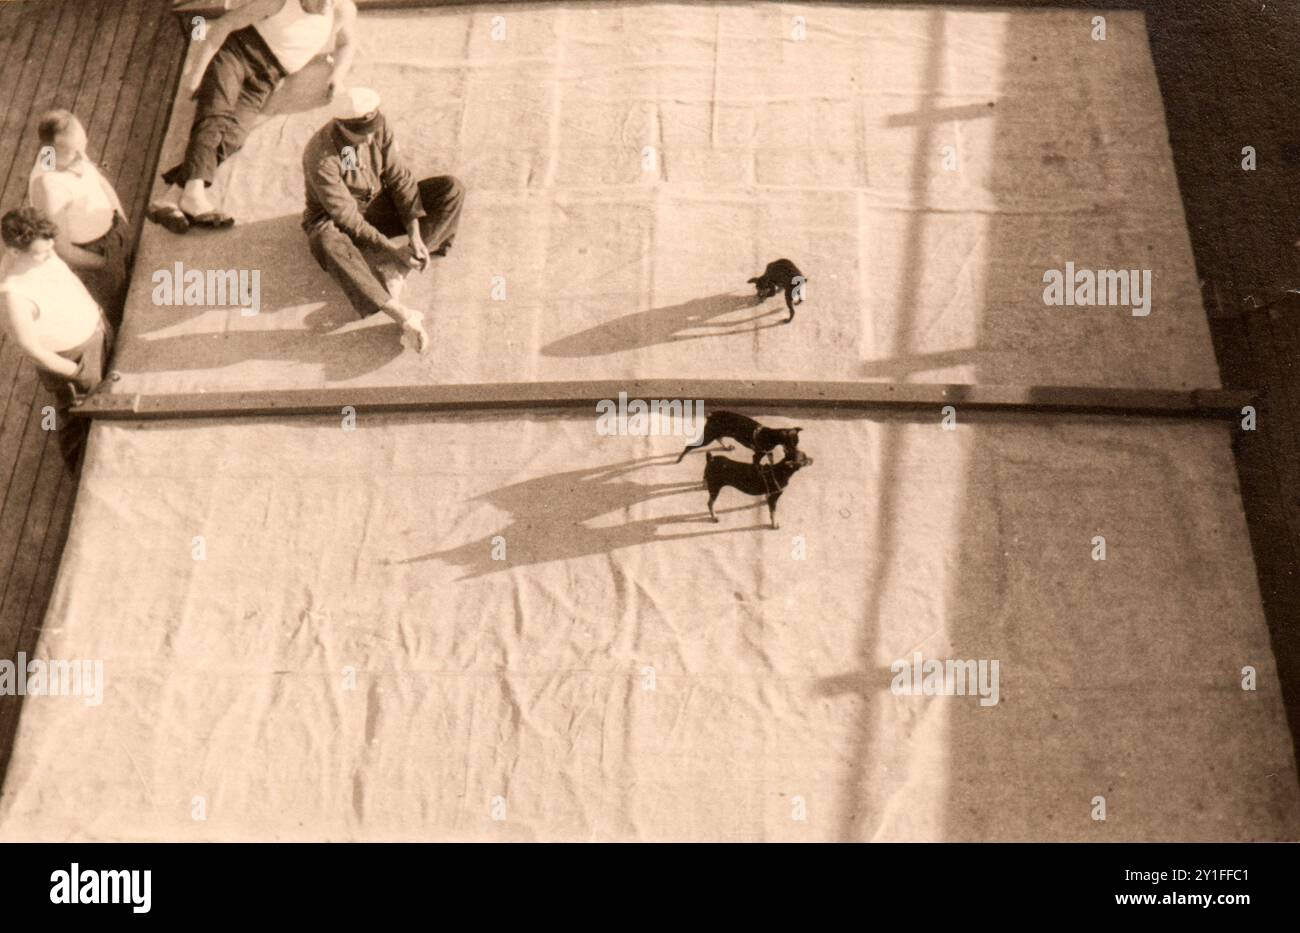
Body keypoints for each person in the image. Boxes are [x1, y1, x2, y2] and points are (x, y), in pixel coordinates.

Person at [148, 0, 357, 233]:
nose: (326, 4)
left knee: (234, 136)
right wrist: (197, 74)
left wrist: (337, 75)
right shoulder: (279, 3)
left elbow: (346, 43)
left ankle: (171, 197)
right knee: (216, 114)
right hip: (236, 54)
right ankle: (195, 194)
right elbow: (224, 25)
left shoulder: (342, 9)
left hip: (266, 78)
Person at [302, 86, 464, 352]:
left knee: (451, 189)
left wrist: (413, 233)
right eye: (360, 134)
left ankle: (398, 271)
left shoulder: (378, 127)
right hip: (334, 219)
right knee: (325, 241)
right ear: (340, 125)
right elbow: (347, 217)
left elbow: (400, 179)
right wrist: (392, 249)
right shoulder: (320, 156)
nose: (368, 140)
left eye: (371, 130)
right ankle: (401, 315)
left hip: (375, 204)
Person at [0, 207, 114, 470]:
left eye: (51, 245)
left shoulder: (42, 254)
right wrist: (77, 373)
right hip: (74, 360)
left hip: (96, 332)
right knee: (77, 419)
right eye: (43, 252)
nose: (52, 253)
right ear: (16, 252)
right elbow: (31, 350)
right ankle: (77, 471)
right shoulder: (13, 296)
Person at [28, 110, 133, 330]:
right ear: (50, 150)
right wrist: (105, 264)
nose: (82, 156)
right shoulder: (48, 186)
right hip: (94, 258)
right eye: (73, 152)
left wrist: (122, 221)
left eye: (82, 146)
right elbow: (63, 249)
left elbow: (99, 181)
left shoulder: (68, 153)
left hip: (114, 236)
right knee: (117, 314)